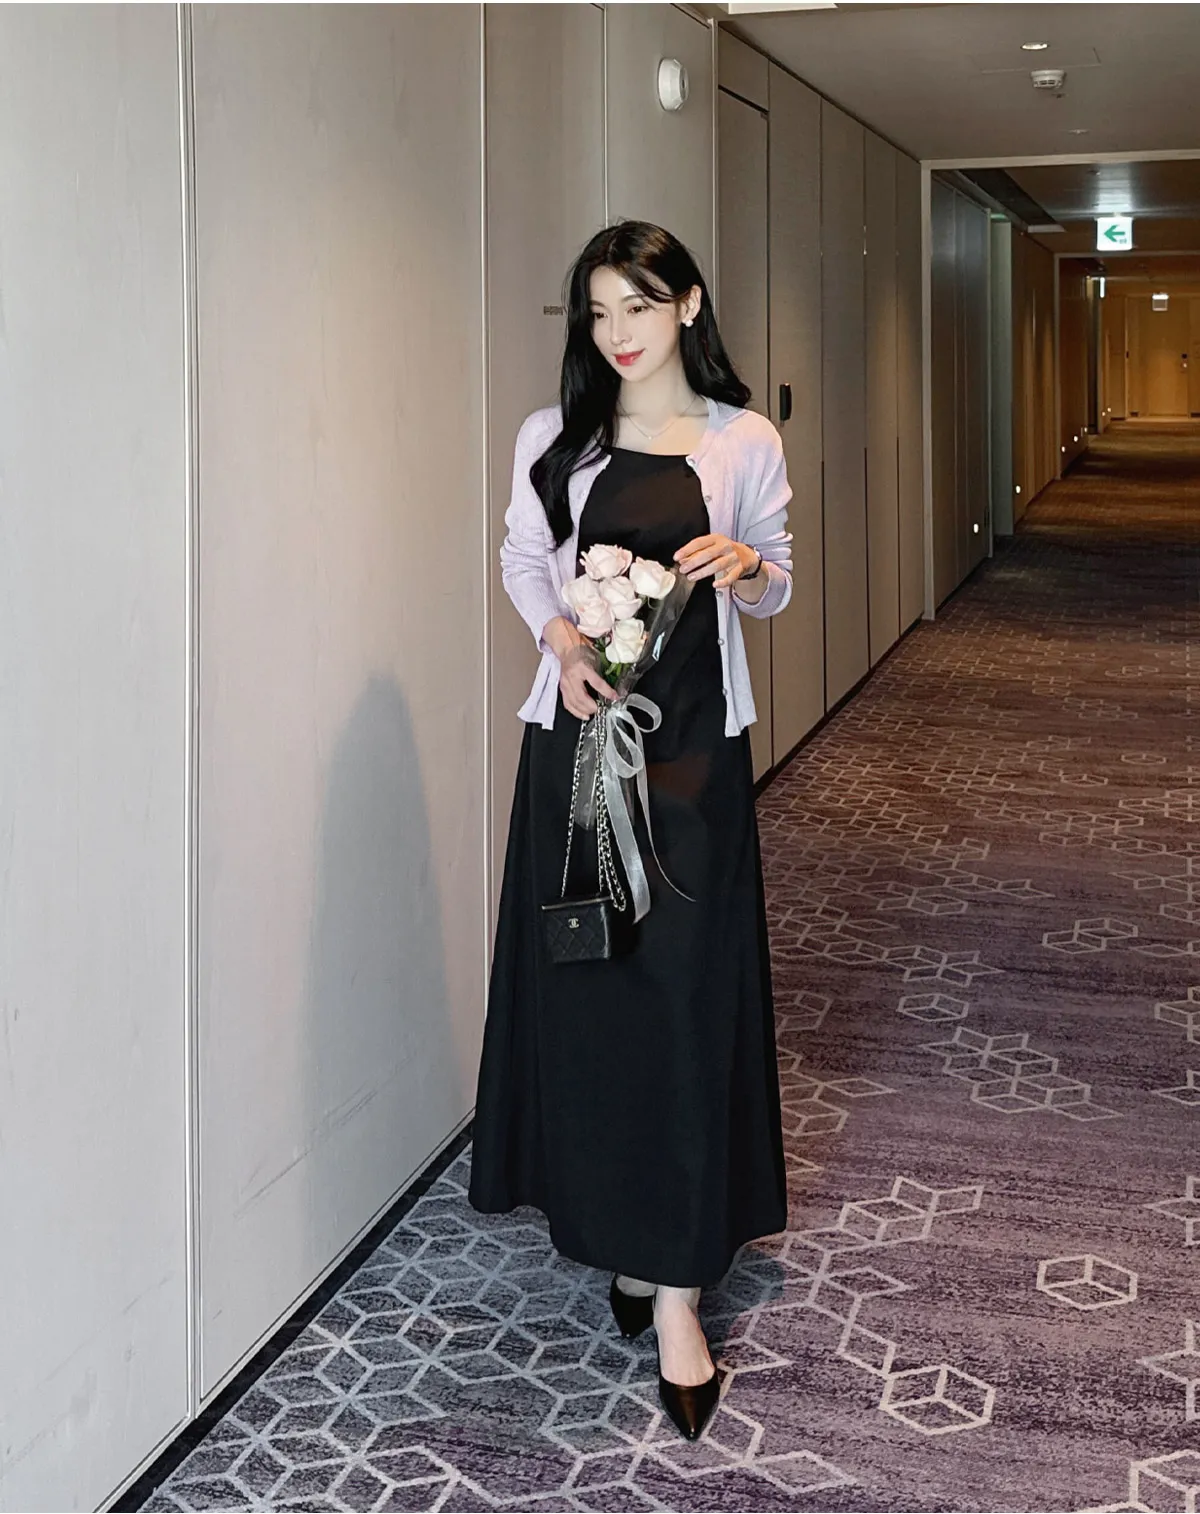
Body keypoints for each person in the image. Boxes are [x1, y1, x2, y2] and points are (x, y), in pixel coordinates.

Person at [468, 220, 793, 1442]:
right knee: (599, 992)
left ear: (689, 306)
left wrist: (746, 564)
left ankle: (678, 1292)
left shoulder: (741, 439)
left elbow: (778, 581)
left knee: (684, 998)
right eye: (599, 311)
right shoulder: (554, 438)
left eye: (640, 306)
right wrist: (558, 637)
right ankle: (620, 1232)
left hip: (695, 757)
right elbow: (523, 559)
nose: (618, 332)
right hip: (580, 748)